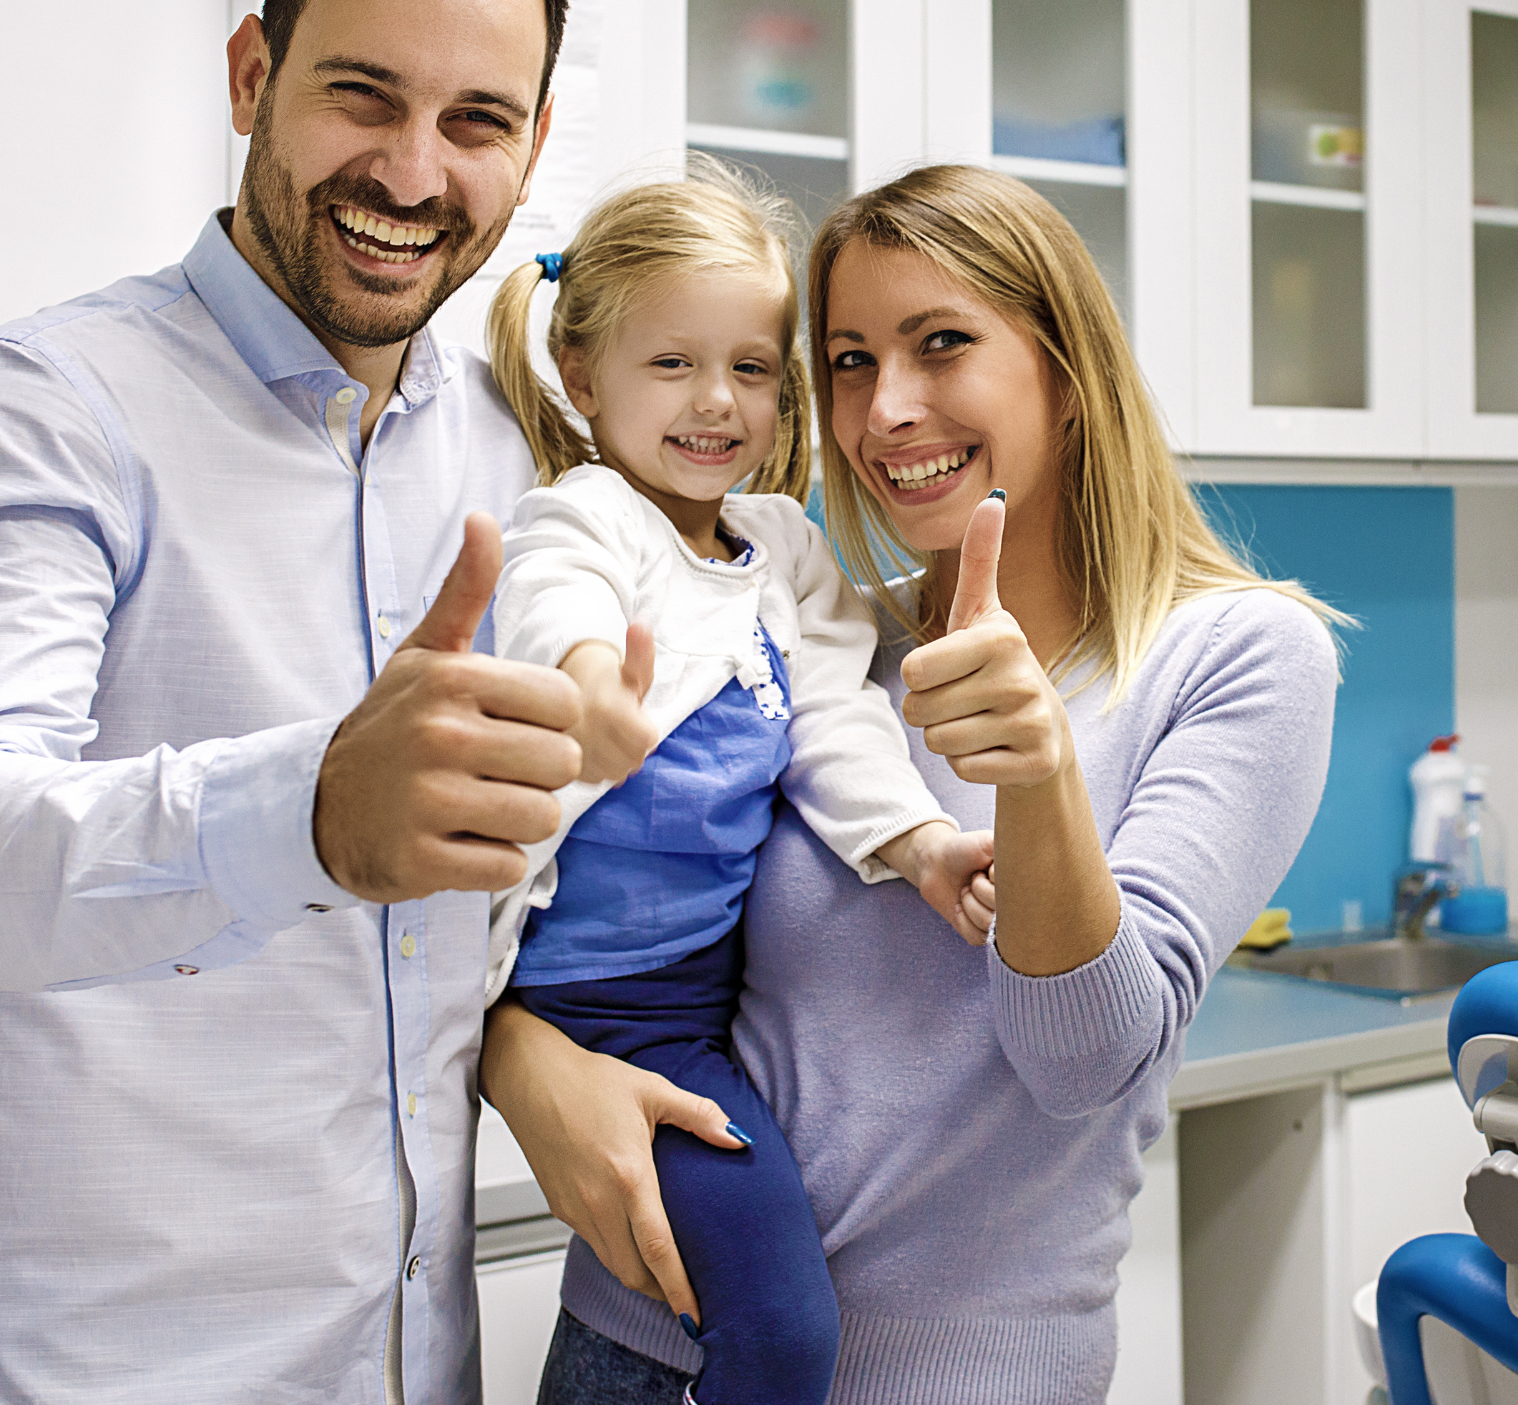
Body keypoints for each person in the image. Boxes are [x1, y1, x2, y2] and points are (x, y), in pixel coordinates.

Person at [0, 0, 734, 1405]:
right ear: (254, 76)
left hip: (397, 1362)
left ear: (530, 149)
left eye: (474, 121)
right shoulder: (49, 405)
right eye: (360, 94)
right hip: (71, 1365)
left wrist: (531, 1038)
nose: (409, 171)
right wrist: (311, 811)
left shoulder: (527, 459)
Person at [493, 163, 1343, 1403]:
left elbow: (1083, 1062)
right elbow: (609, 921)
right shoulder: (813, 637)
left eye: (939, 345)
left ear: (1066, 367)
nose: (886, 407)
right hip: (634, 1342)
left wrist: (1041, 775)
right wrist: (515, 1057)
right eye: (844, 361)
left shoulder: (1240, 659)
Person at [482, 168, 996, 1404]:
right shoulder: (585, 515)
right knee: (780, 1330)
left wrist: (922, 843)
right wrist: (588, 690)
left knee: (775, 1315)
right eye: (672, 365)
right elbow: (558, 601)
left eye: (755, 370)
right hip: (593, 1010)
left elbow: (833, 715)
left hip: (703, 1003)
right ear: (579, 366)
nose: (717, 404)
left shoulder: (782, 548)